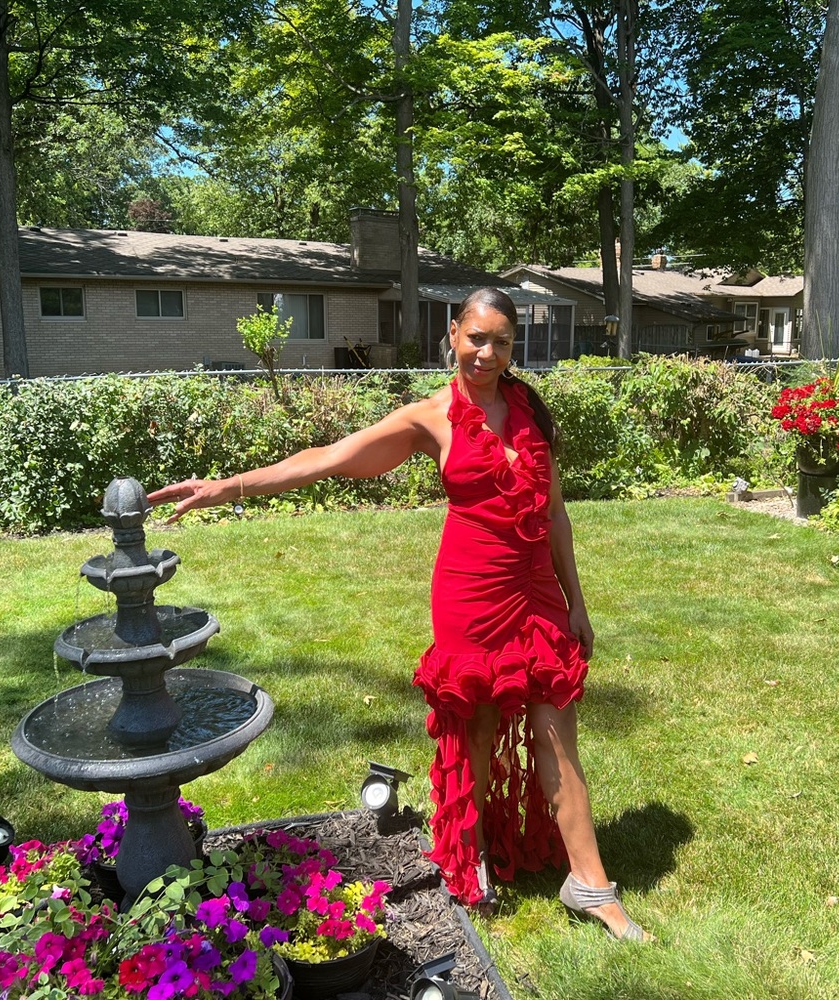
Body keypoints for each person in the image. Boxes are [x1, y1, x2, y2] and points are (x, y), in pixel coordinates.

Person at [147, 287, 649, 942]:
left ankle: (590, 884)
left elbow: (554, 511)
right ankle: (472, 854)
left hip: (536, 594)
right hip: (470, 594)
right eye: (477, 337)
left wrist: (576, 600)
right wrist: (230, 486)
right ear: (453, 334)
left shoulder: (531, 411)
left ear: (512, 345)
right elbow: (328, 459)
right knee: (477, 727)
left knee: (558, 734)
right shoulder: (429, 418)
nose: (487, 352)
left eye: (501, 340)